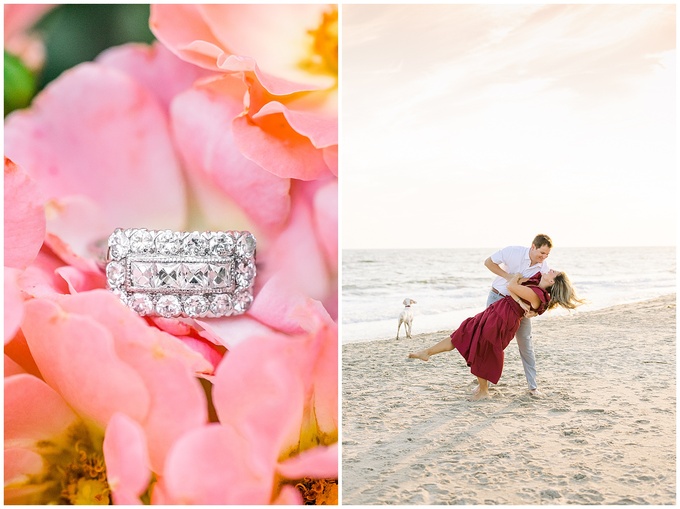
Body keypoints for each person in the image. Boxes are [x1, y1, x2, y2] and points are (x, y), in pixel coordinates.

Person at [408, 269, 584, 400]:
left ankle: (484, 391)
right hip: (497, 312)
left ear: (552, 282)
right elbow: (516, 286)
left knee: (483, 347)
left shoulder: (537, 293)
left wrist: (516, 283)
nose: (550, 270)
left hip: (502, 319)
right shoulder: (536, 284)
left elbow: (511, 284)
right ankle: (427, 352)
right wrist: (518, 291)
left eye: (553, 273)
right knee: (464, 332)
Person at [483, 234, 552, 395]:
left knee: (526, 344)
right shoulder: (513, 251)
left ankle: (533, 386)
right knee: (490, 342)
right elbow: (488, 262)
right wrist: (508, 277)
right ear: (533, 246)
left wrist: (535, 312)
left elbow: (545, 293)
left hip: (520, 307)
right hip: (497, 298)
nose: (544, 257)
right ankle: (484, 382)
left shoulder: (543, 267)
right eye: (542, 253)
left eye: (547, 254)